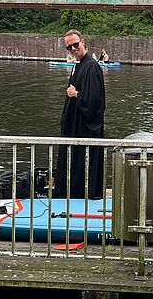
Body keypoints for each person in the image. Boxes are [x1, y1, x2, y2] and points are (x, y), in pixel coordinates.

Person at [54, 30, 106, 199]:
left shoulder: (91, 66)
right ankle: (72, 193)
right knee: (74, 162)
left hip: (84, 129)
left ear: (83, 42)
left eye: (75, 44)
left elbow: (96, 102)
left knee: (81, 162)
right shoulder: (78, 65)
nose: (73, 49)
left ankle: (81, 195)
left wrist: (76, 94)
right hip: (75, 126)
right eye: (69, 47)